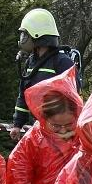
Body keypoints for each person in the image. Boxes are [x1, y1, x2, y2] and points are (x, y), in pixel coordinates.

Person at [10, 8, 80, 140]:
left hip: (59, 134)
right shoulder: (31, 62)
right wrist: (17, 124)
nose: (23, 38)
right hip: (37, 131)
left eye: (26, 34)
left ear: (38, 36)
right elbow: (23, 95)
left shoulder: (63, 62)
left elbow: (74, 100)